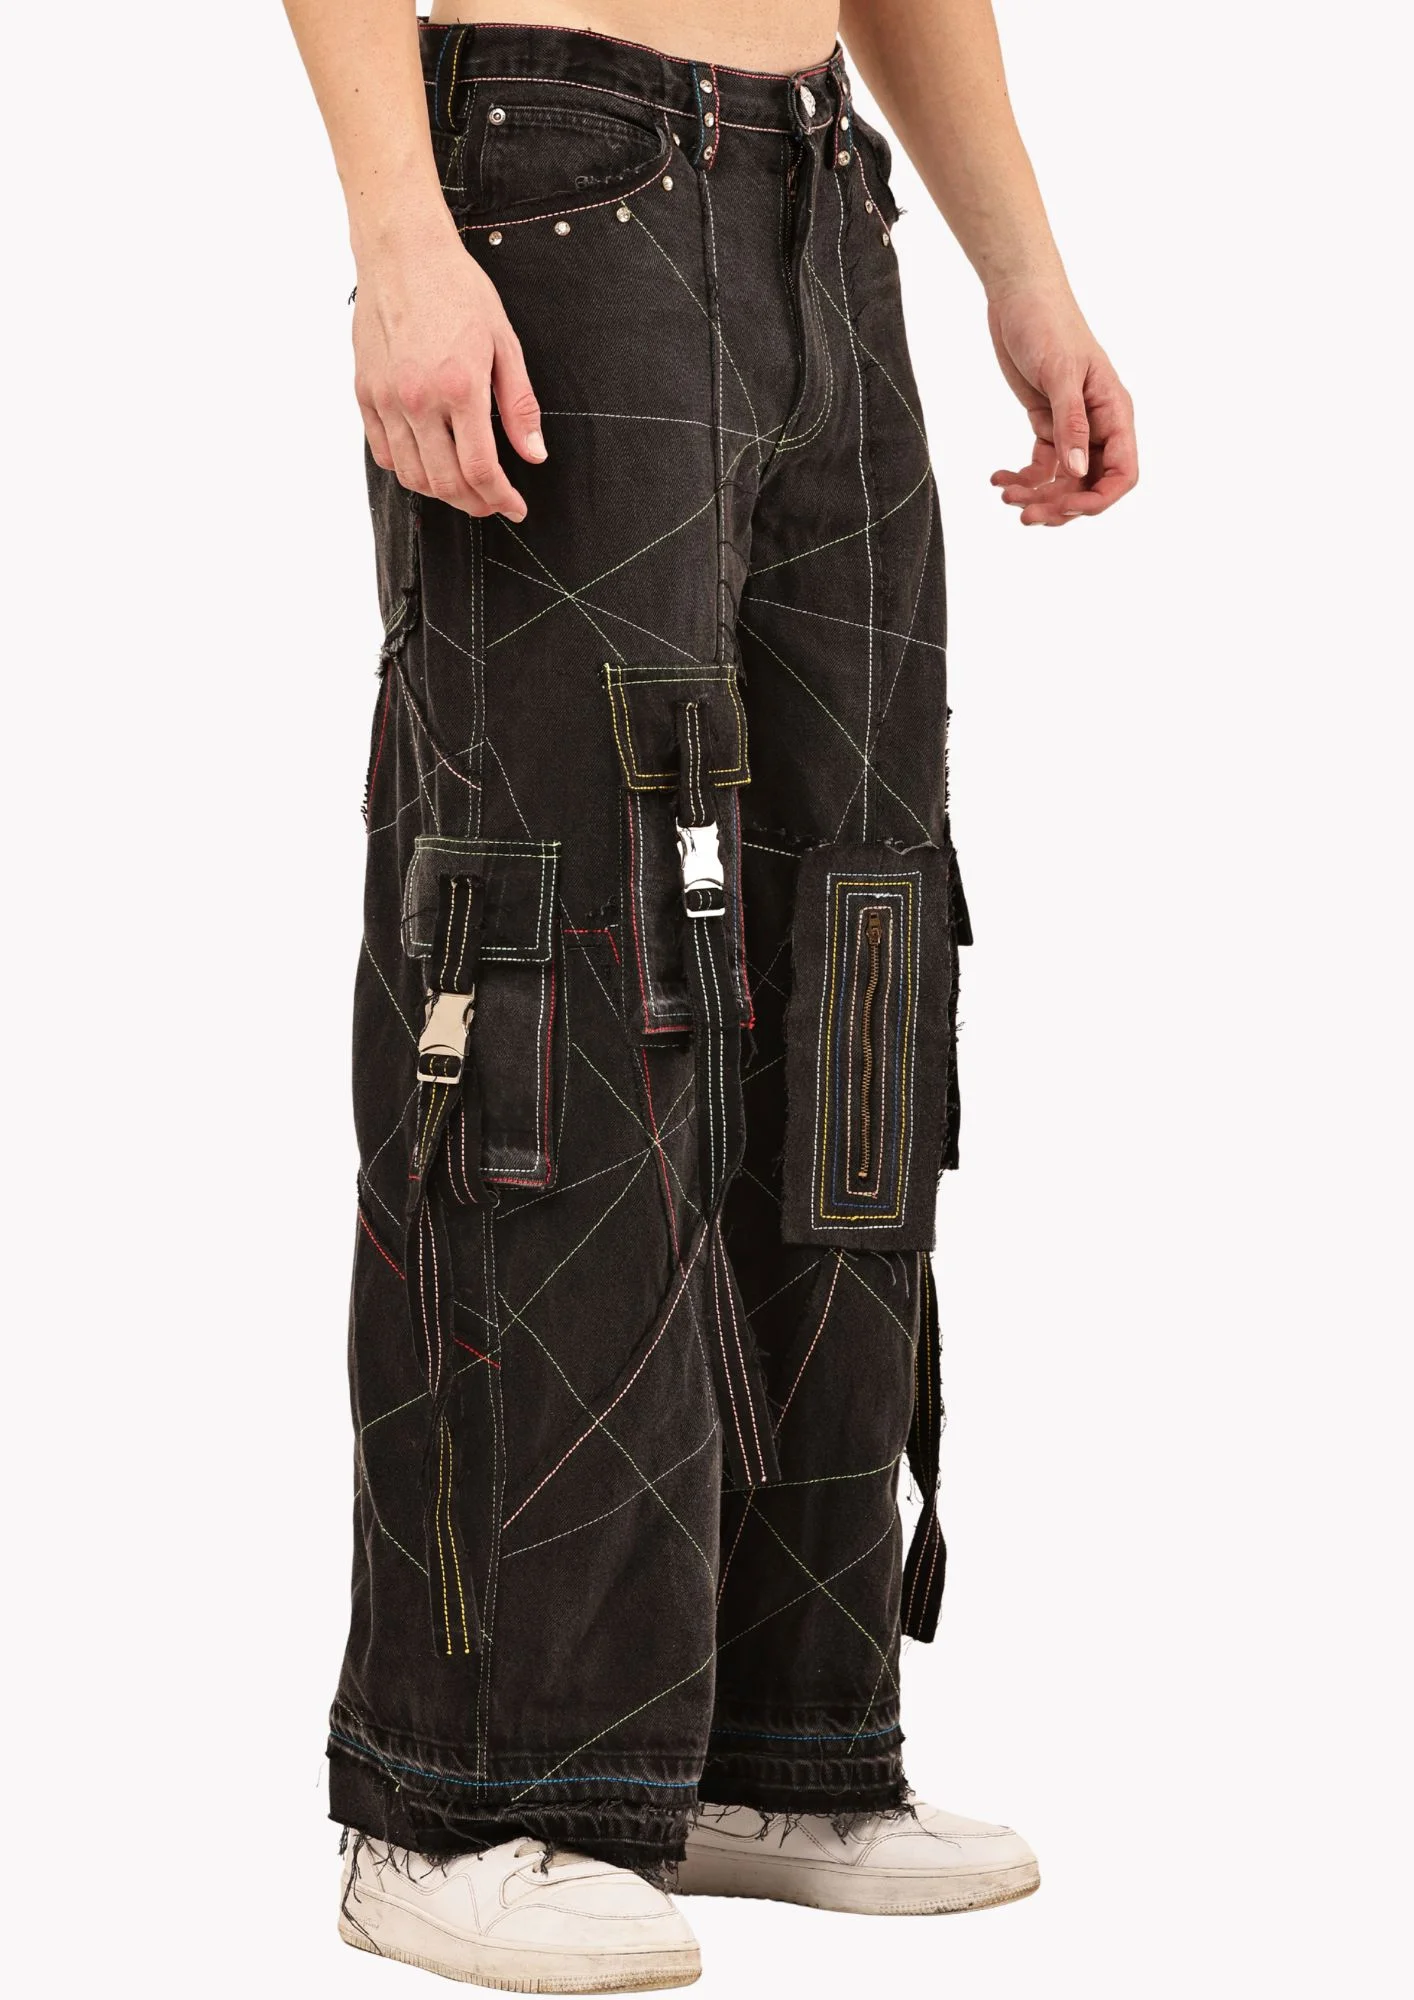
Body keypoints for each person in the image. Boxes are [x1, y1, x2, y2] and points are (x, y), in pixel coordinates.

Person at [282, 0, 1136, 1988]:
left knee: (847, 965)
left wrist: (1018, 268)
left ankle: (779, 1738)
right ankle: (461, 1794)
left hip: (817, 198)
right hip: (547, 177)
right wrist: (402, 230)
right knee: (552, 978)